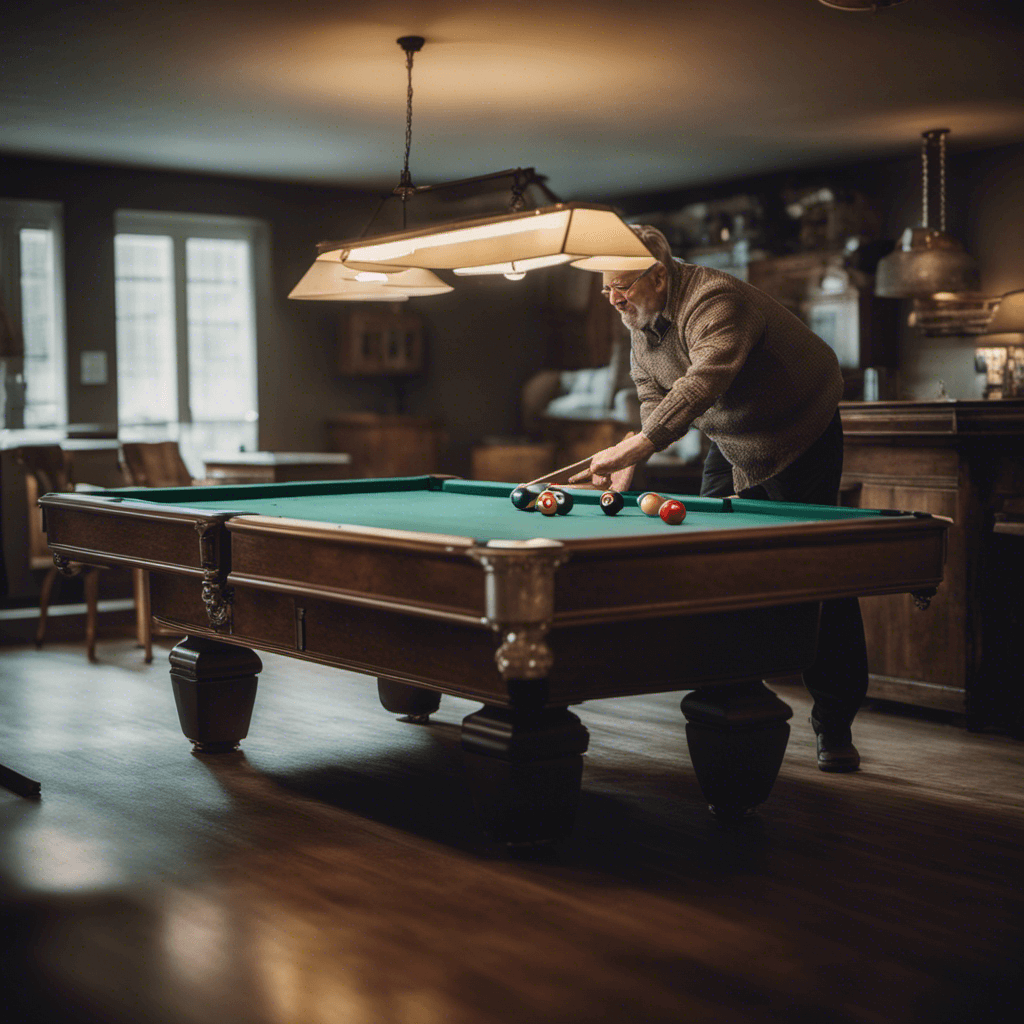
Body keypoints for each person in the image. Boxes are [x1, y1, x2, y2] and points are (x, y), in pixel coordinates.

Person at [569, 225, 866, 772]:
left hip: (800, 429)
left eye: (623, 287)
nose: (613, 299)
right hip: (732, 439)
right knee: (709, 557)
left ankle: (835, 723)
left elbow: (702, 382)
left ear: (659, 275)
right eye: (607, 288)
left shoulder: (714, 298)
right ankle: (732, 693)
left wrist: (635, 444)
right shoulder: (641, 317)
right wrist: (635, 458)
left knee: (820, 573)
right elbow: (653, 392)